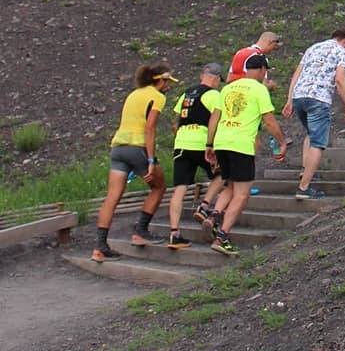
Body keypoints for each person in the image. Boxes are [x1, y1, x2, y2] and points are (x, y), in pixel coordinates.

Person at [91, 63, 178, 262]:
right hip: (137, 147)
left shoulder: (133, 94)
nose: (168, 87)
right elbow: (150, 128)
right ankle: (141, 231)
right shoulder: (157, 97)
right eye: (167, 82)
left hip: (118, 148)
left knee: (112, 197)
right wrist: (151, 159)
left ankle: (100, 246)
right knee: (159, 187)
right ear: (160, 81)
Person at [204, 55, 286, 256]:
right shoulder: (259, 89)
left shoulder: (228, 87)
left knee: (230, 185)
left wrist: (209, 144)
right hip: (241, 145)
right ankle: (222, 236)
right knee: (242, 193)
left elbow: (215, 117)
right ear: (262, 70)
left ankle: (213, 216)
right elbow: (269, 121)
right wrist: (282, 142)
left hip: (222, 143)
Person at [282, 30, 345, 199]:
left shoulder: (313, 48)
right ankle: (304, 188)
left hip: (299, 97)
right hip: (319, 99)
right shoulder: (342, 52)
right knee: (318, 142)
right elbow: (339, 79)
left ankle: (306, 171)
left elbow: (296, 75)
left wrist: (290, 100)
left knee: (311, 132)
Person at [167, 62, 226, 249]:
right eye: (219, 80)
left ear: (202, 75)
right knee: (222, 173)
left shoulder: (187, 93)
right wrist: (210, 143)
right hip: (200, 142)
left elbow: (175, 123)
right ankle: (205, 205)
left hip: (181, 143)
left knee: (180, 188)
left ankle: (174, 234)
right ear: (215, 78)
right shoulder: (213, 94)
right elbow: (215, 118)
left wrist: (180, 138)